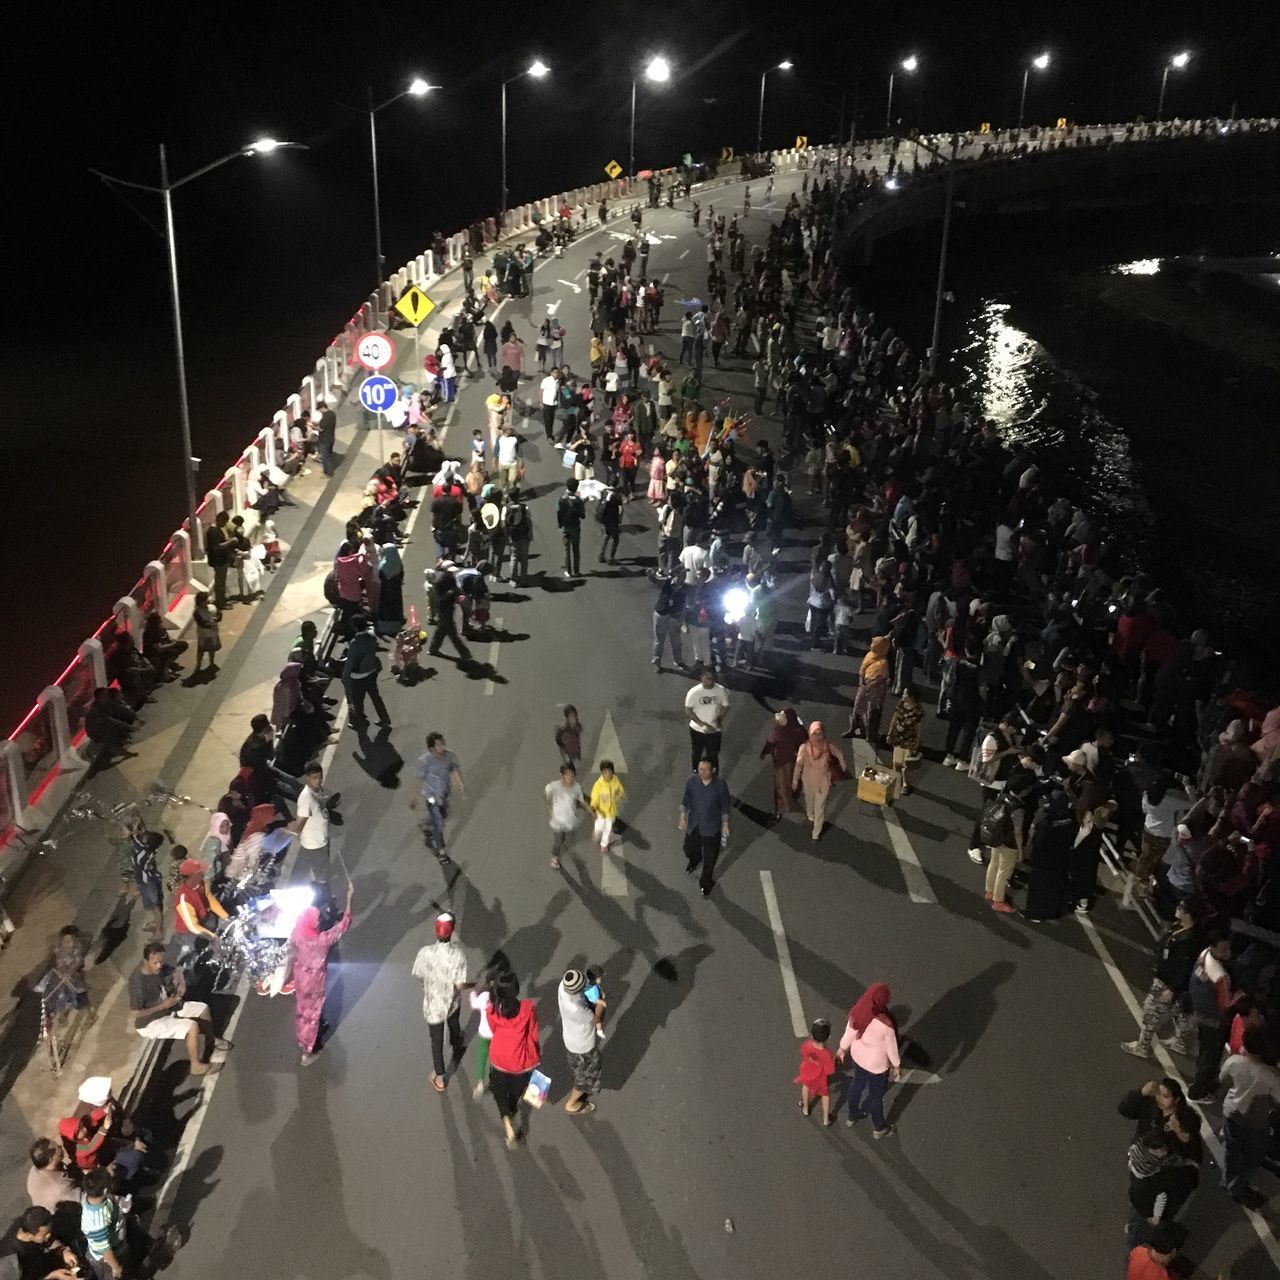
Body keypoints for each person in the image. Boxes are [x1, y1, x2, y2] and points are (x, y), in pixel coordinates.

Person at [127, 942, 224, 1077]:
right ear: (146, 961)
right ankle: (195, 1066)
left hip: (169, 1007)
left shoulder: (160, 967)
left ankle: (211, 1040)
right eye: (155, 963)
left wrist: (181, 985)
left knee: (203, 1009)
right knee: (192, 1026)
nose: (159, 966)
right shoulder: (137, 983)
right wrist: (163, 1006)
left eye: (161, 961)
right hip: (150, 1022)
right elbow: (135, 1012)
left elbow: (176, 971)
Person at [1122, 899, 1199, 1059]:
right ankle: (1180, 1043)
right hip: (1171, 980)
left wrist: (1171, 988)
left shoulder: (1188, 940)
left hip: (1167, 982)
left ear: (1188, 913)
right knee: (1180, 1014)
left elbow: (1183, 968)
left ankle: (1142, 1047)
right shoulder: (1180, 928)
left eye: (1181, 908)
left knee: (1151, 1012)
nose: (1177, 909)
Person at [290, 881, 353, 1066]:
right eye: (317, 920)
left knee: (303, 1010)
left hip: (301, 978)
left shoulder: (298, 933)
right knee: (312, 1013)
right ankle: (309, 1050)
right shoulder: (320, 941)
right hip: (314, 982)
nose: (319, 922)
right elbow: (344, 925)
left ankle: (308, 1037)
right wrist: (349, 898)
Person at [1217, 1024, 1280, 1202]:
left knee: (1232, 1149)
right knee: (1253, 1157)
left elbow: (1222, 1082)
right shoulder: (1271, 1076)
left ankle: (1227, 1178)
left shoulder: (1234, 1062)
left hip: (1231, 1113)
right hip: (1256, 1122)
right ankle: (1237, 1187)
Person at [412, 911, 469, 1093]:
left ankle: (440, 1077)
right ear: (451, 932)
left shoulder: (425, 953)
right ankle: (457, 1043)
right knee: (453, 1024)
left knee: (436, 1042)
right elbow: (460, 985)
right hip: (452, 1003)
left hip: (433, 1006)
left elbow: (419, 975)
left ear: (437, 932)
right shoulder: (458, 956)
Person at [487, 971, 540, 1150]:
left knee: (499, 1091)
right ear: (516, 990)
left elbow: (493, 1029)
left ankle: (508, 1124)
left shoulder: (492, 1010)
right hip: (520, 1062)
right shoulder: (527, 1008)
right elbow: (532, 1032)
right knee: (517, 1091)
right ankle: (511, 1110)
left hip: (499, 1058)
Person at [838, 984, 900, 1137]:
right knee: (875, 1096)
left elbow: (849, 1033)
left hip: (858, 1056)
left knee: (856, 1085)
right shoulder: (886, 1025)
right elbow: (891, 1049)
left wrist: (842, 1048)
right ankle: (878, 1127)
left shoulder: (857, 1012)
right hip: (877, 1065)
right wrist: (897, 1065)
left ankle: (852, 1115)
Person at [1187, 932, 1236, 1101]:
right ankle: (1198, 1092)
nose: (1228, 952)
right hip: (1215, 1021)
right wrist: (1240, 995)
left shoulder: (1204, 955)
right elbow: (1225, 1004)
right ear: (1213, 947)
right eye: (1224, 949)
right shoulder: (1219, 974)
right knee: (1211, 1057)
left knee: (1204, 1052)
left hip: (1201, 1014)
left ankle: (1201, 1082)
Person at [410, 732, 465, 865]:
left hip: (444, 794)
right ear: (431, 748)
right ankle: (442, 852)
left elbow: (455, 771)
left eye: (443, 743)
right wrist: (415, 797)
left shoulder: (450, 756)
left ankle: (424, 823)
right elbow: (419, 780)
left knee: (443, 814)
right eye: (439, 744)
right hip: (431, 796)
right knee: (438, 824)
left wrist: (461, 787)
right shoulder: (425, 761)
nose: (443, 746)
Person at [679, 759, 731, 898]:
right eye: (700, 769)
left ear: (713, 770)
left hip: (711, 828)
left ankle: (706, 883)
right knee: (689, 848)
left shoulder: (720, 786)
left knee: (710, 858)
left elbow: (725, 806)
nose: (701, 772)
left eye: (705, 769)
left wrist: (725, 824)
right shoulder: (692, 782)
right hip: (694, 824)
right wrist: (682, 816)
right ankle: (694, 859)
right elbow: (686, 799)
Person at [559, 969, 606, 1116]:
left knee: (579, 1069)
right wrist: (602, 1003)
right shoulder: (576, 1010)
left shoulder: (563, 986)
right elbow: (596, 1019)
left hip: (570, 1039)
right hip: (583, 1046)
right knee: (585, 1078)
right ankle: (572, 1104)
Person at [792, 720, 846, 841]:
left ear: (823, 734)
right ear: (810, 734)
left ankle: (816, 833)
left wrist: (843, 765)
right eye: (814, 734)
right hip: (808, 781)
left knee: (819, 808)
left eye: (819, 733)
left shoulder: (827, 746)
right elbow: (798, 765)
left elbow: (839, 754)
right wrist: (795, 780)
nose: (817, 737)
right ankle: (810, 815)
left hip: (823, 783)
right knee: (809, 801)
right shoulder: (804, 748)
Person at [4, 1204, 80, 1279]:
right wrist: (52, 1276)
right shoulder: (13, 1260)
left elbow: (50, 1241)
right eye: (45, 1234)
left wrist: (64, 1251)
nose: (49, 1235)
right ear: (30, 1235)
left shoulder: (28, 1227)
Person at [80, 1168, 130, 1280]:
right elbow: (104, 1249)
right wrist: (116, 1267)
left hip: (117, 1245)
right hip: (107, 1259)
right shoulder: (97, 1221)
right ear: (105, 1191)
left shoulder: (89, 1196)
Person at [291, 762, 335, 883]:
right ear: (307, 778)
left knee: (324, 867)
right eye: (315, 778)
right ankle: (323, 894)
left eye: (320, 777)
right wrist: (294, 832)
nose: (319, 780)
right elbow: (299, 824)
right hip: (315, 844)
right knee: (321, 874)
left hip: (322, 839)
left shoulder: (317, 790)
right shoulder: (306, 798)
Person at [761, 707, 807, 821]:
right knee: (779, 786)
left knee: (792, 784)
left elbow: (805, 745)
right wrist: (765, 751)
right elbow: (771, 740)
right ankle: (780, 809)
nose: (779, 716)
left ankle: (790, 801)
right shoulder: (779, 728)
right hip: (780, 763)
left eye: (782, 715)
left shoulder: (797, 731)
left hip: (791, 763)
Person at [684, 666, 729, 772]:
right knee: (697, 752)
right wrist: (702, 725)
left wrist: (719, 718)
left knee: (713, 754)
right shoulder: (694, 692)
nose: (711, 681)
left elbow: (726, 706)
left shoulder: (721, 690)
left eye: (713, 678)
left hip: (714, 730)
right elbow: (688, 710)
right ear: (702, 678)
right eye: (708, 678)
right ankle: (696, 770)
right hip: (697, 729)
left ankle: (714, 774)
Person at [546, 762, 589, 870]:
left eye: (572, 775)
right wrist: (551, 810)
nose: (570, 777)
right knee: (558, 841)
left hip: (569, 819)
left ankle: (563, 842)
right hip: (558, 821)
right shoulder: (553, 787)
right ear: (562, 775)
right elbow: (549, 799)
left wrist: (592, 812)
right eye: (567, 774)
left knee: (567, 836)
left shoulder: (576, 787)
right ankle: (554, 857)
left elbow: (582, 802)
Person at [795, 1017, 836, 1125]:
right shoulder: (827, 1054)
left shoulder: (806, 1045)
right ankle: (826, 1119)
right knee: (825, 1095)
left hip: (807, 1072)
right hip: (820, 1079)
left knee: (805, 1086)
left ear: (811, 1035)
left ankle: (805, 1108)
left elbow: (804, 1055)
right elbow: (830, 1070)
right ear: (828, 1037)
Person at [887, 687, 924, 797]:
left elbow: (919, 728)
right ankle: (898, 782)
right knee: (896, 763)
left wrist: (918, 743)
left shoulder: (918, 711)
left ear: (911, 697)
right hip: (898, 739)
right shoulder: (900, 704)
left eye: (905, 693)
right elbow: (894, 718)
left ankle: (906, 784)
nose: (902, 695)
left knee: (906, 766)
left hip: (910, 741)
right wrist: (890, 733)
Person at [25, 1139, 79, 1214]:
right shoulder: (61, 1187)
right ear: (51, 1159)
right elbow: (80, 1199)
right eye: (58, 1147)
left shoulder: (35, 1169)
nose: (60, 1146)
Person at [589, 760, 625, 853]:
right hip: (601, 812)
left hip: (612, 812)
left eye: (610, 772)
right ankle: (596, 832)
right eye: (605, 773)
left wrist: (619, 794)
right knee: (599, 826)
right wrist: (593, 807)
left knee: (608, 829)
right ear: (602, 773)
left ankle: (604, 845)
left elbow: (620, 790)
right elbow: (594, 797)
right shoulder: (598, 785)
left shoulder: (615, 781)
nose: (608, 775)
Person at [557, 477, 585, 578]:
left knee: (566, 549)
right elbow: (583, 515)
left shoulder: (562, 498)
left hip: (565, 527)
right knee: (576, 549)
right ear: (576, 488)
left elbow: (558, 512)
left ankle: (568, 571)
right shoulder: (578, 500)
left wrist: (560, 525)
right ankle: (576, 571)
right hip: (575, 527)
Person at [204, 511, 232, 611]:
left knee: (220, 582)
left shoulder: (215, 530)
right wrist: (230, 541)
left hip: (220, 560)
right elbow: (217, 546)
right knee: (220, 583)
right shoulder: (213, 532)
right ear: (220, 519)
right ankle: (221, 602)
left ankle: (221, 600)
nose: (224, 525)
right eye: (224, 522)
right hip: (219, 561)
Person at [192, 591, 221, 675]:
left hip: (212, 633)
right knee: (201, 650)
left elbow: (219, 615)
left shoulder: (212, 607)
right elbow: (201, 623)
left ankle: (212, 662)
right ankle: (198, 664)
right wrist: (210, 624)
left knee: (212, 649)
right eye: (205, 600)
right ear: (201, 602)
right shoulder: (197, 612)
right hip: (203, 635)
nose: (207, 601)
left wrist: (217, 618)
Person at [315, 400, 337, 476]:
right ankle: (328, 470)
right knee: (329, 455)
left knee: (325, 457)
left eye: (320, 410)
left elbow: (321, 428)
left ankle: (328, 472)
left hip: (324, 439)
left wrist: (313, 427)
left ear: (322, 407)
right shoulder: (332, 414)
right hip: (331, 437)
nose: (320, 412)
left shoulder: (326, 416)